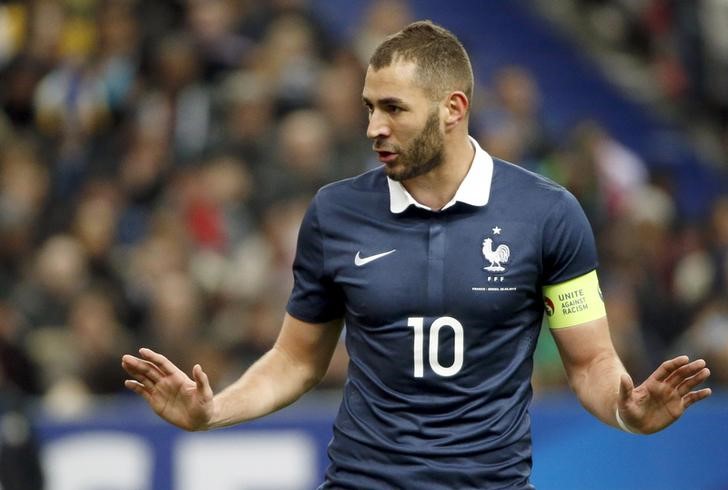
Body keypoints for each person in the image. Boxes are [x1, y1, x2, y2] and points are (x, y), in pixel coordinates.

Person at [121, 20, 712, 489]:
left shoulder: (548, 215)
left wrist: (626, 411)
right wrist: (214, 411)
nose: (374, 126)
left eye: (394, 108)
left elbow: (590, 363)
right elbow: (296, 360)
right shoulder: (335, 214)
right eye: (369, 107)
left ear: (453, 108)